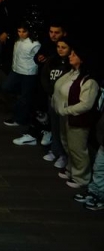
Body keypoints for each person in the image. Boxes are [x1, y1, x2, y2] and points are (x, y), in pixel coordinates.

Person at [52, 43, 97, 189]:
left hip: (78, 119)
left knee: (77, 149)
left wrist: (66, 110)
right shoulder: (71, 73)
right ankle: (71, 169)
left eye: (74, 54)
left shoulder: (89, 80)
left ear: (82, 59)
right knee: (67, 144)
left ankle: (81, 177)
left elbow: (86, 104)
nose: (70, 56)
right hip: (65, 116)